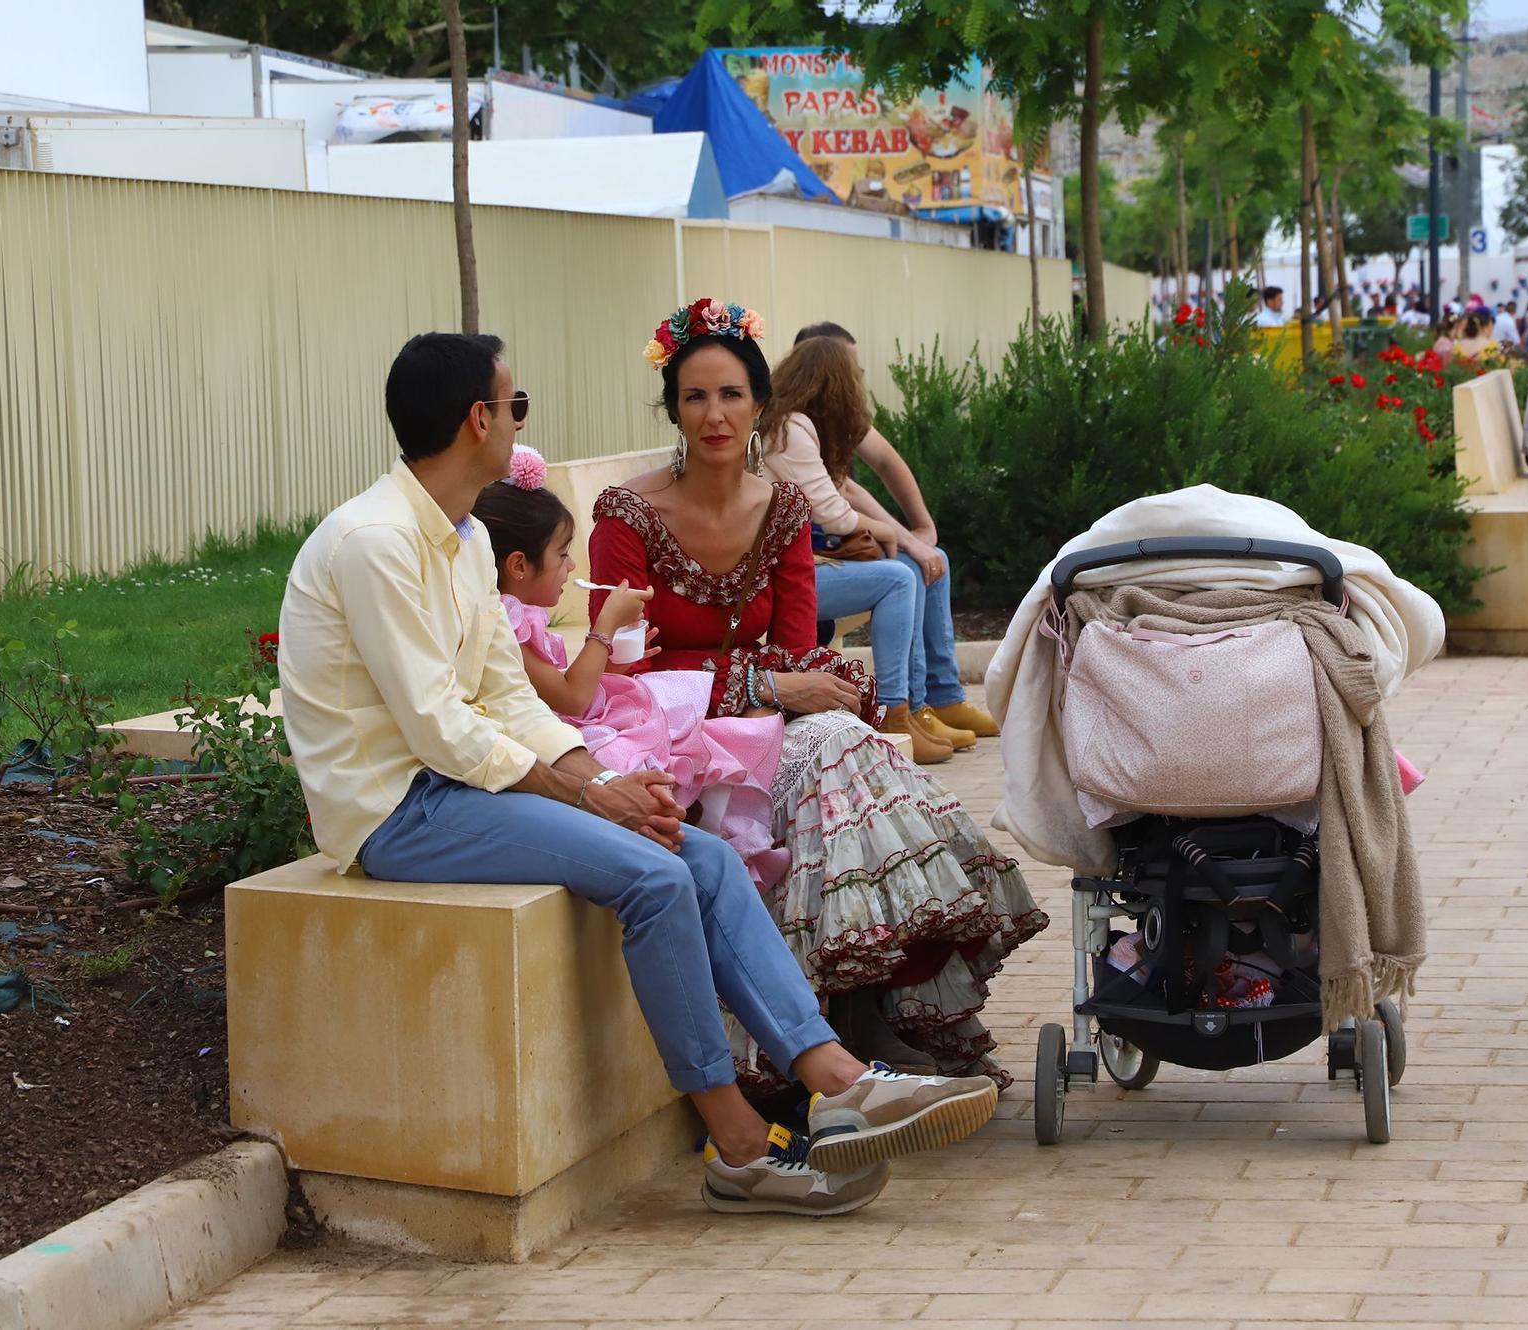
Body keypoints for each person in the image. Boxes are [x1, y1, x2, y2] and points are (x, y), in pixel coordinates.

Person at [278, 332, 1008, 1218]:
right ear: (479, 420)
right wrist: (593, 794)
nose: (518, 421)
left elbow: (507, 699)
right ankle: (736, 1145)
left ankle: (838, 1078)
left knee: (696, 854)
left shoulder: (465, 539)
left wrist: (606, 776)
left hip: (459, 786)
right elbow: (438, 729)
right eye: (517, 406)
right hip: (398, 809)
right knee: (658, 879)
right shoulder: (375, 543)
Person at [591, 298, 1048, 1094]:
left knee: (840, 745)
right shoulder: (626, 516)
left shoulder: (787, 509)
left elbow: (802, 648)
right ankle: (865, 1021)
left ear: (761, 406)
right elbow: (624, 682)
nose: (715, 415)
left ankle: (860, 1014)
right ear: (673, 409)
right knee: (838, 750)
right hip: (667, 744)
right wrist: (768, 682)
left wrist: (793, 684)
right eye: (695, 396)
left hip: (770, 733)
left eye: (732, 395)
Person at [471, 444, 787, 891]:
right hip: (558, 743)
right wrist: (604, 626)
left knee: (679, 703)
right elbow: (571, 698)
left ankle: (703, 823)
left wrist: (618, 665)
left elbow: (565, 687)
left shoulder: (519, 616)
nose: (571, 566)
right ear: (519, 565)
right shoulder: (506, 622)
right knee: (650, 740)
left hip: (566, 723)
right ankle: (693, 828)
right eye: (562, 555)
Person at [762, 326, 994, 764]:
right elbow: (834, 511)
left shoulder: (802, 425)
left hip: (805, 564)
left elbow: (848, 489)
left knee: (925, 560)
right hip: (781, 578)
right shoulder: (790, 430)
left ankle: (934, 701)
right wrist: (893, 535)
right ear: (833, 381)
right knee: (898, 578)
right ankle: (894, 712)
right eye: (854, 375)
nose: (860, 386)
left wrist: (915, 535)